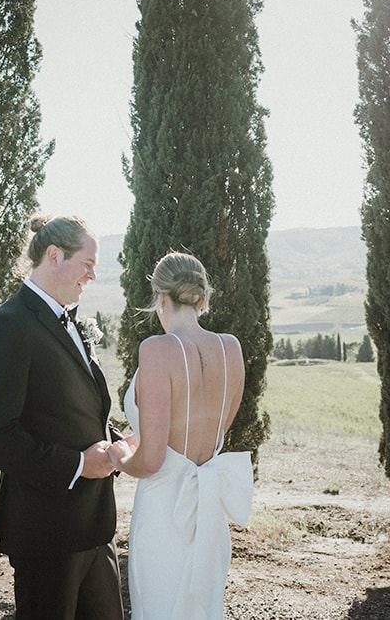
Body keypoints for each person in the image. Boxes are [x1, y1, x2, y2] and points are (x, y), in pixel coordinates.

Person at [0, 215, 124, 620]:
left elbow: (71, 410)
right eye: (87, 263)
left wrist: (119, 445)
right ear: (54, 256)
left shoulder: (69, 321)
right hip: (47, 532)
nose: (92, 275)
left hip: (96, 526)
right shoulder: (10, 326)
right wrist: (78, 464)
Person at [108, 252, 252, 620]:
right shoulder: (231, 348)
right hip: (208, 514)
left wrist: (118, 456)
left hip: (164, 513)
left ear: (159, 297)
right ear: (202, 299)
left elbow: (153, 460)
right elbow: (209, 429)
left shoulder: (156, 350)